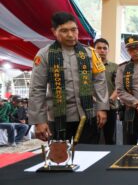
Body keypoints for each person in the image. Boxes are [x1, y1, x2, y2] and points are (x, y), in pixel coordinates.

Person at [29, 12, 109, 144]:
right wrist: (39, 121)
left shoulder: (90, 53)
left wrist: (102, 108)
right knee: (59, 158)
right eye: (64, 31)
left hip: (88, 115)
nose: (70, 35)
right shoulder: (44, 55)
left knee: (88, 156)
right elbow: (37, 88)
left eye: (74, 30)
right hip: (58, 118)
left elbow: (100, 81)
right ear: (54, 31)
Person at [94, 38, 118, 145]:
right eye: (99, 48)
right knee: (92, 138)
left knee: (109, 138)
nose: (102, 50)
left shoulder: (114, 66)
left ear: (108, 50)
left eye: (105, 48)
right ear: (94, 50)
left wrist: (110, 99)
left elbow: (119, 86)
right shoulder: (88, 66)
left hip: (110, 106)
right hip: (92, 107)